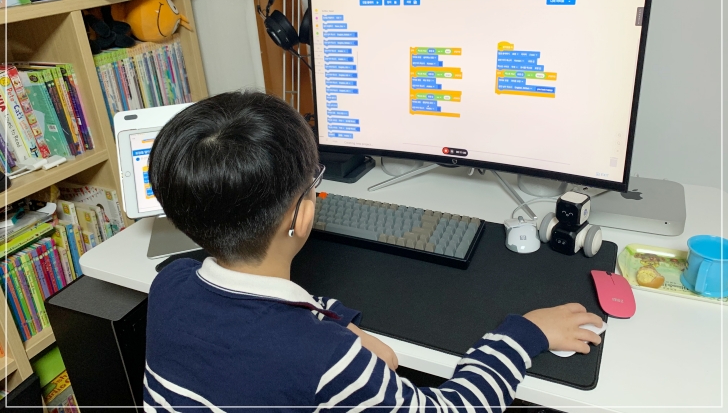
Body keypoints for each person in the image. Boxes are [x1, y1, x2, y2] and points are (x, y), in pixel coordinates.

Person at [143, 91, 603, 411]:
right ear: (302, 216)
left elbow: (254, 320)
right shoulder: (323, 361)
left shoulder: (170, 283)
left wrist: (335, 325)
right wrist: (524, 335)